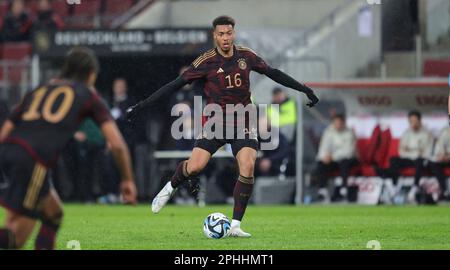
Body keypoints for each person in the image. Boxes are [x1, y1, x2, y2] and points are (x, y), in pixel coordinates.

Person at [127, 15, 319, 237]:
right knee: (196, 166)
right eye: (221, 34)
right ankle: (170, 186)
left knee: (247, 166)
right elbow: (175, 84)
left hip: (244, 119)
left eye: (228, 33)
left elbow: (274, 73)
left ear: (233, 34)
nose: (225, 38)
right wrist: (143, 105)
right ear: (214, 36)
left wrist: (304, 88)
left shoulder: (246, 56)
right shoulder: (206, 61)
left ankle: (235, 225)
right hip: (216, 121)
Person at [0, 47, 137, 250]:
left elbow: (7, 129)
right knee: (17, 236)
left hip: (10, 152)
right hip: (33, 159)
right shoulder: (88, 95)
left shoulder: (39, 89)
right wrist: (127, 179)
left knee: (54, 214)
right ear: (91, 74)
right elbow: (117, 144)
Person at [381, 110, 433, 201]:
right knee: (393, 159)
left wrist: (409, 150)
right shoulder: (406, 133)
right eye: (410, 121)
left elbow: (426, 153)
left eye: (414, 121)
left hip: (420, 160)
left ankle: (415, 188)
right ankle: (394, 187)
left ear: (420, 121)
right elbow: (401, 151)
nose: (412, 123)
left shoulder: (427, 134)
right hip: (408, 159)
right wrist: (415, 151)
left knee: (420, 162)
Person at [312, 114, 358, 202]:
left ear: (343, 123)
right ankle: (322, 190)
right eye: (336, 123)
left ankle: (344, 189)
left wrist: (332, 157)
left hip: (347, 159)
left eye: (340, 123)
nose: (338, 125)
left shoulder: (349, 133)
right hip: (332, 160)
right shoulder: (328, 132)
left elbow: (348, 151)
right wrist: (324, 157)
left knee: (344, 162)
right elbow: (323, 147)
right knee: (321, 164)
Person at [428, 126, 450, 200]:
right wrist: (442, 155)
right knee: (434, 163)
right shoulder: (445, 131)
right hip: (446, 158)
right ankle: (444, 191)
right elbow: (442, 146)